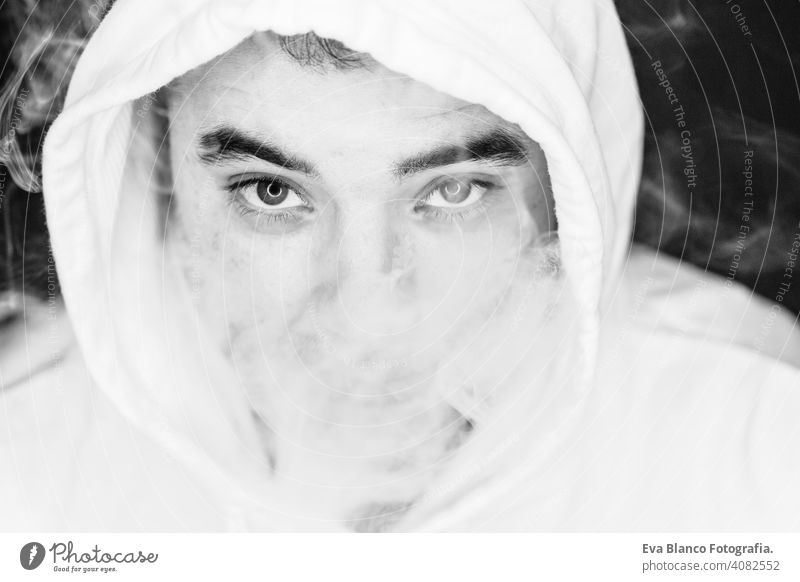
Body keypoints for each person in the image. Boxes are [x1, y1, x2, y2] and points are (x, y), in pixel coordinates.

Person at [1, 0, 798, 532]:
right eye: (271, 192)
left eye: (451, 190)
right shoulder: (25, 475)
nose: (365, 305)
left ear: (566, 195)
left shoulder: (758, 448)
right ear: (156, 177)